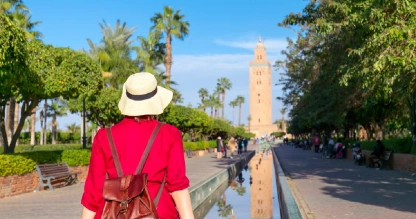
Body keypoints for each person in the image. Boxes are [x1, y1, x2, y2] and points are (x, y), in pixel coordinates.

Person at [81, 73, 194, 219]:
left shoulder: (103, 136)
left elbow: (93, 191)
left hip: (112, 214)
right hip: (159, 212)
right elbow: (177, 187)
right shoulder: (169, 134)